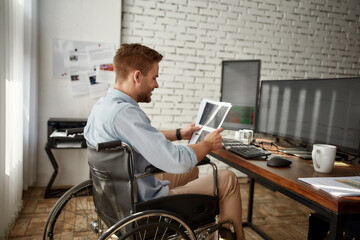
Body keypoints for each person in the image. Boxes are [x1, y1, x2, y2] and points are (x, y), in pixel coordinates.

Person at [84, 43, 245, 240]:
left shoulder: (104, 106)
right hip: (143, 203)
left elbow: (141, 137)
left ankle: (192, 226)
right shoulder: (125, 113)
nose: (156, 85)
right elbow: (178, 161)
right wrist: (208, 144)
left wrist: (179, 133)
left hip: (118, 197)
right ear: (137, 76)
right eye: (154, 77)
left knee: (192, 170)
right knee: (226, 179)